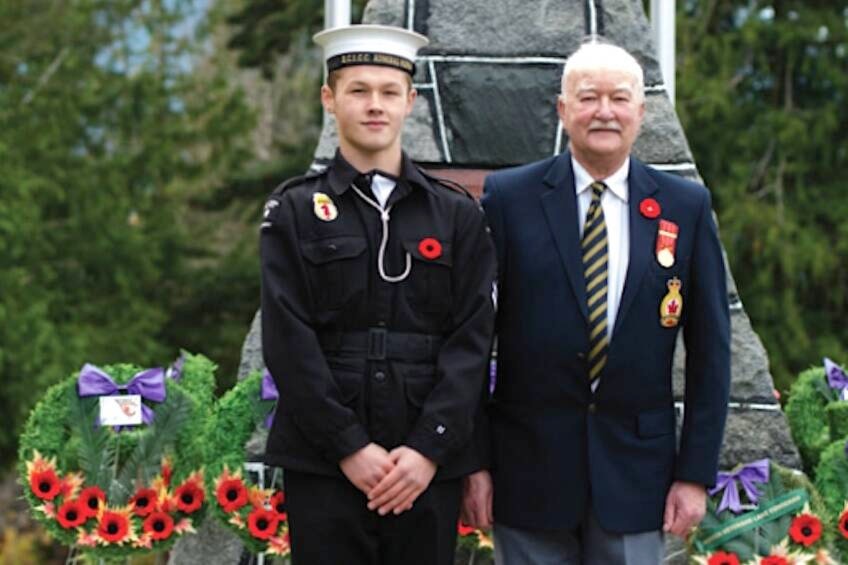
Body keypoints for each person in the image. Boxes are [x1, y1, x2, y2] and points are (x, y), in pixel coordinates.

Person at [461, 41, 731, 564]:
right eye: (588, 98)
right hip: (528, 476)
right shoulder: (509, 199)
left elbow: (711, 356)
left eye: (619, 97)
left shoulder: (685, 207)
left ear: (640, 111)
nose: (604, 111)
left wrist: (695, 476)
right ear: (563, 110)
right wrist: (475, 463)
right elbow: (473, 340)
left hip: (638, 479)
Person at [259, 24, 496, 565]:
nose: (375, 106)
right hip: (325, 462)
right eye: (358, 90)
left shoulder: (455, 213)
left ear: (410, 101)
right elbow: (288, 339)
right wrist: (348, 445)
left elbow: (472, 342)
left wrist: (428, 449)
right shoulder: (295, 209)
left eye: (389, 92)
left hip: (424, 464)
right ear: (329, 99)